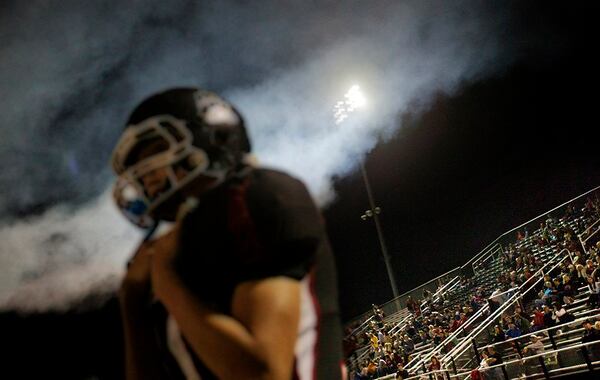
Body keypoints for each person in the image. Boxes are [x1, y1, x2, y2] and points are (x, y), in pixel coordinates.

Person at [112, 88, 344, 379]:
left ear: (213, 137)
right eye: (136, 166)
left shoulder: (258, 196)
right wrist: (131, 303)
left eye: (155, 151)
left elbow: (265, 375)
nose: (144, 173)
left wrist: (164, 278)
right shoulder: (176, 245)